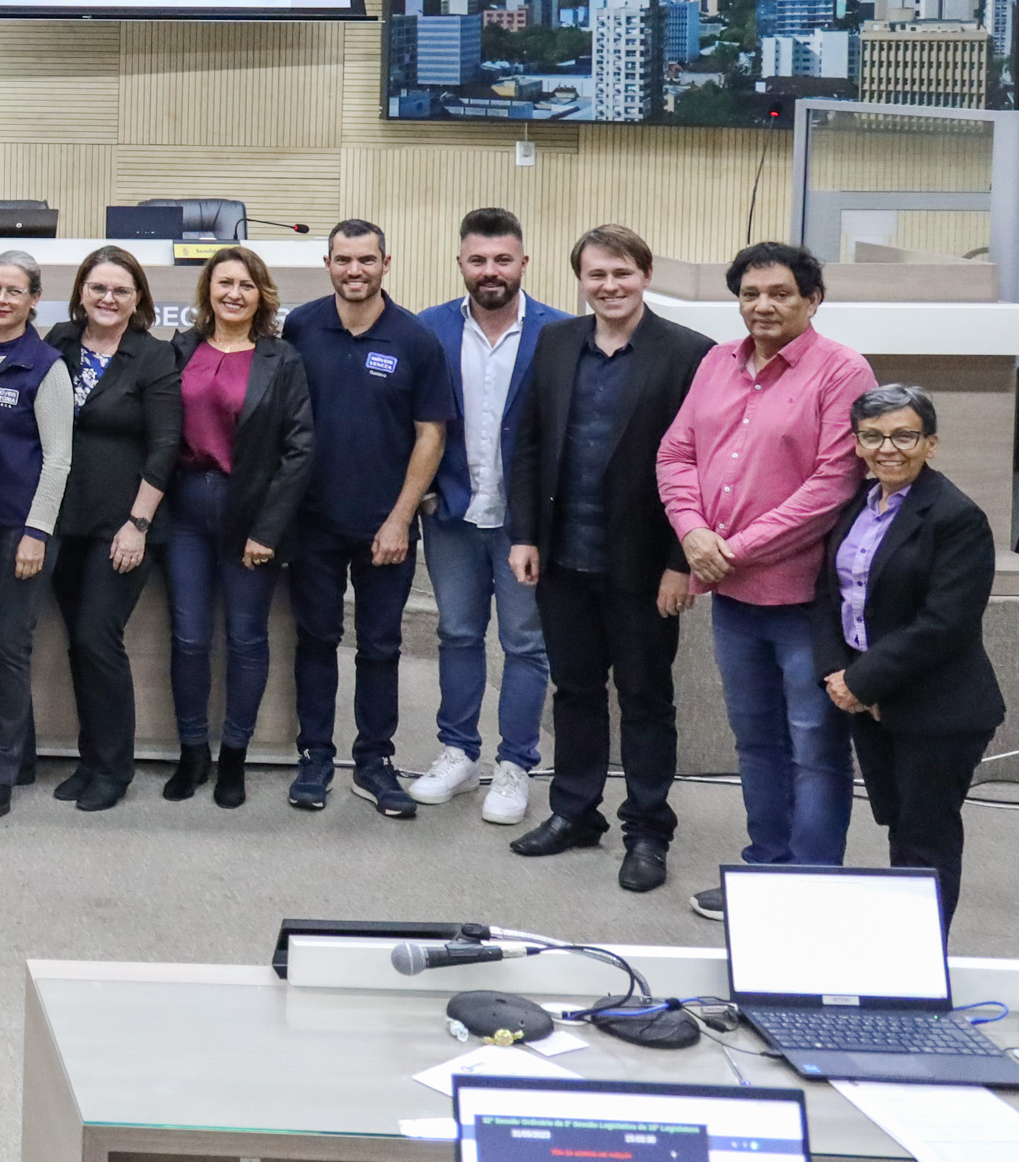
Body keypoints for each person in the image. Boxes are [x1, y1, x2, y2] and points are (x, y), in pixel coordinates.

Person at [656, 241, 875, 920]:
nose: (763, 306)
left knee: (815, 746)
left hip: (804, 601)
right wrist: (693, 532)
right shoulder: (717, 363)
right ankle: (765, 870)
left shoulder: (842, 371)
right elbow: (676, 453)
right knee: (755, 742)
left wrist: (733, 549)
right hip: (732, 599)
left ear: (813, 300)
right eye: (751, 294)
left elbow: (833, 486)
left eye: (780, 293)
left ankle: (810, 886)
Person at [506, 225, 713, 895]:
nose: (609, 285)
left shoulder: (690, 354)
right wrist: (524, 534)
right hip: (564, 559)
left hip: (647, 567)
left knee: (646, 699)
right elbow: (528, 443)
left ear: (646, 275)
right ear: (580, 281)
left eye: (622, 272)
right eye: (596, 274)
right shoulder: (555, 342)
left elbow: (702, 469)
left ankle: (648, 831)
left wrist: (682, 562)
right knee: (574, 692)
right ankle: (575, 812)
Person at [281, 221, 453, 818]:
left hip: (386, 525)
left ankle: (375, 762)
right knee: (316, 640)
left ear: (386, 263)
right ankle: (315, 756)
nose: (355, 270)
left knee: (380, 646)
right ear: (328, 264)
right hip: (312, 522)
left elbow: (431, 434)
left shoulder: (416, 338)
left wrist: (401, 519)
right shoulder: (301, 327)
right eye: (344, 259)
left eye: (366, 260)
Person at [816, 386, 1003, 927]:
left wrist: (863, 682)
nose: (888, 449)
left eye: (904, 435)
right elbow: (830, 596)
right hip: (870, 699)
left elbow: (946, 623)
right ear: (857, 444)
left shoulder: (956, 517)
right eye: (873, 436)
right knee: (901, 826)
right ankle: (904, 943)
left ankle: (924, 959)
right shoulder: (857, 504)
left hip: (939, 709)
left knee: (926, 837)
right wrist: (838, 673)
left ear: (931, 444)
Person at [413, 209, 569, 824]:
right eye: (478, 260)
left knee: (525, 643)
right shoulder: (429, 328)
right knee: (456, 634)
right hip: (452, 514)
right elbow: (412, 419)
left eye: (503, 259)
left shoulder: (560, 332)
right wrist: (423, 491)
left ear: (523, 263)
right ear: (461, 263)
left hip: (523, 523)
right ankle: (458, 752)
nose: (490, 271)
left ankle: (515, 763)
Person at [162, 248, 312, 810]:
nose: (234, 293)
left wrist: (268, 530)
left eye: (246, 285)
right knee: (189, 638)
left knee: (247, 638)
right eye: (224, 282)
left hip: (251, 513)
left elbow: (299, 450)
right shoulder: (181, 349)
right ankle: (192, 752)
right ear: (208, 290)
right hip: (185, 512)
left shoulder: (282, 359)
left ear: (261, 295)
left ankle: (233, 757)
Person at [42, 247, 179, 812]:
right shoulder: (59, 341)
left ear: (138, 298)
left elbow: (165, 446)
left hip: (122, 527)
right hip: (62, 521)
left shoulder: (153, 355)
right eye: (98, 287)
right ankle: (90, 759)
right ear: (81, 292)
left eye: (121, 290)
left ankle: (114, 768)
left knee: (98, 639)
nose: (108, 298)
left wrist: (138, 524)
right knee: (80, 643)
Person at [0, 251, 73, 818]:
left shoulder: (46, 366)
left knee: (10, 646)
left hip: (20, 530)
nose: (2, 300)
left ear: (34, 300)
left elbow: (58, 460)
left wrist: (37, 532)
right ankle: (19, 755)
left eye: (14, 291)